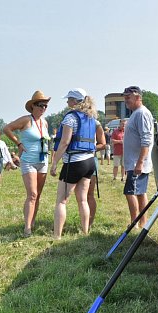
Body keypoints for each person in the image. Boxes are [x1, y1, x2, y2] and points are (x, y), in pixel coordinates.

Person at [50, 88, 102, 239]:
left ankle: (57, 236)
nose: (67, 102)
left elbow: (65, 142)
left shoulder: (70, 118)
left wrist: (54, 163)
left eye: (69, 99)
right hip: (89, 162)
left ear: (75, 101)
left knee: (61, 200)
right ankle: (85, 232)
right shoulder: (92, 118)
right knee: (83, 199)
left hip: (74, 162)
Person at [3, 90, 52, 237]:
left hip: (43, 161)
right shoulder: (26, 120)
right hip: (28, 161)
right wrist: (18, 143)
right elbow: (7, 129)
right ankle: (27, 228)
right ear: (33, 106)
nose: (43, 108)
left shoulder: (45, 123)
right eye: (41, 105)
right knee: (32, 194)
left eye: (46, 106)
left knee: (38, 195)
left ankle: (32, 222)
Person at [122, 86, 154, 228]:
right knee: (140, 192)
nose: (126, 101)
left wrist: (140, 162)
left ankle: (135, 223)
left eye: (128, 97)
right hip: (134, 162)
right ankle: (142, 223)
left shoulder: (142, 113)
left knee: (130, 192)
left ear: (138, 97)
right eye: (125, 97)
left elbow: (146, 139)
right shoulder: (136, 113)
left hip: (137, 163)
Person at [87, 120, 107, 229]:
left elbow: (103, 144)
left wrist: (89, 147)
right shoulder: (71, 119)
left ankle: (89, 223)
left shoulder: (95, 123)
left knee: (89, 194)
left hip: (90, 160)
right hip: (74, 161)